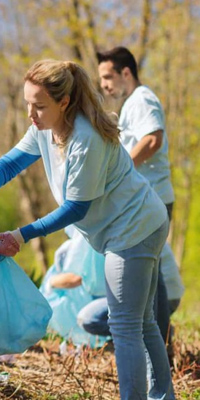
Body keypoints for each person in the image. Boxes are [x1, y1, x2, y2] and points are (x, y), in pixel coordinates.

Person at [0, 60, 174, 399]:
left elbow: (76, 208)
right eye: (27, 103)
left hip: (134, 229)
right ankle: (164, 396)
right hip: (138, 222)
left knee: (125, 326)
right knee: (142, 322)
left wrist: (20, 235)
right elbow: (11, 162)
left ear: (64, 102)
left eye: (39, 106)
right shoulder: (45, 127)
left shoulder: (85, 139)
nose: (31, 114)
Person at [97, 46, 176, 344]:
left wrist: (122, 170)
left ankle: (159, 345)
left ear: (125, 73)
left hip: (152, 199)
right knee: (151, 276)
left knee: (148, 278)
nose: (104, 84)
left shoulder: (142, 99)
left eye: (108, 76)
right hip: (148, 201)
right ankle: (161, 344)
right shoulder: (133, 103)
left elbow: (153, 139)